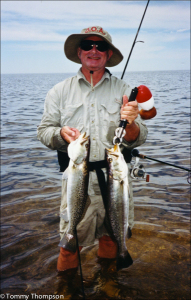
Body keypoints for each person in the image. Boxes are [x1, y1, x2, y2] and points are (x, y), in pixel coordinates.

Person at [37, 26, 148, 273]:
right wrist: (60, 134)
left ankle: (107, 282)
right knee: (69, 244)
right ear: (79, 52)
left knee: (112, 237)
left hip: (115, 178)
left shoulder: (124, 89)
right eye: (88, 45)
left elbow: (139, 137)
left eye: (101, 46)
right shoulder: (59, 91)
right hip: (77, 179)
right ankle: (65, 290)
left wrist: (131, 125)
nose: (94, 50)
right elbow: (44, 131)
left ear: (109, 54)